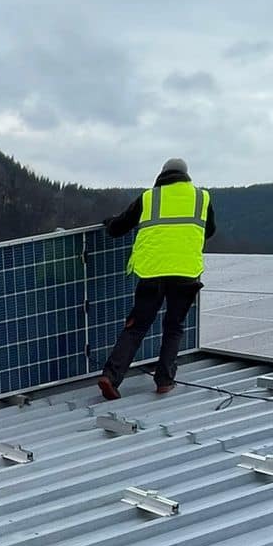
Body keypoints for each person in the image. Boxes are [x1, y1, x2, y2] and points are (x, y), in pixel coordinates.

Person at [97, 157, 215, 399]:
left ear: (162, 174)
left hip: (152, 273)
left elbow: (118, 228)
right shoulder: (202, 198)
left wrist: (108, 222)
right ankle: (164, 380)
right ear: (186, 176)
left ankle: (111, 377)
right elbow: (209, 230)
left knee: (136, 327)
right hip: (186, 273)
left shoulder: (150, 197)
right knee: (174, 327)